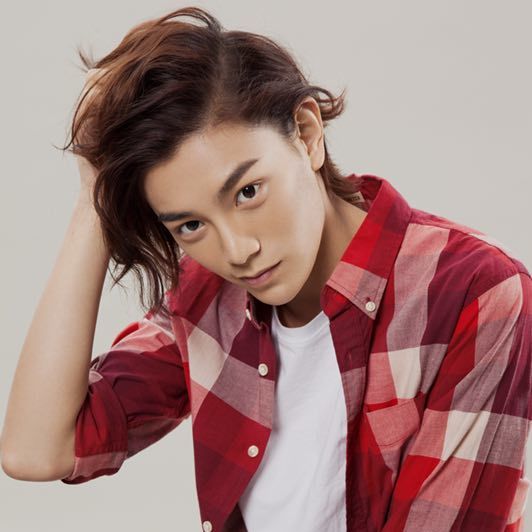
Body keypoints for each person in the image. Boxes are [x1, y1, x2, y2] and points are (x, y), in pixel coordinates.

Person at [1, 6, 530, 532]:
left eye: (247, 192)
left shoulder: (476, 292)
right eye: (190, 225)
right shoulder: (207, 297)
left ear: (306, 133)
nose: (236, 250)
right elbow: (38, 450)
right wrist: (94, 199)